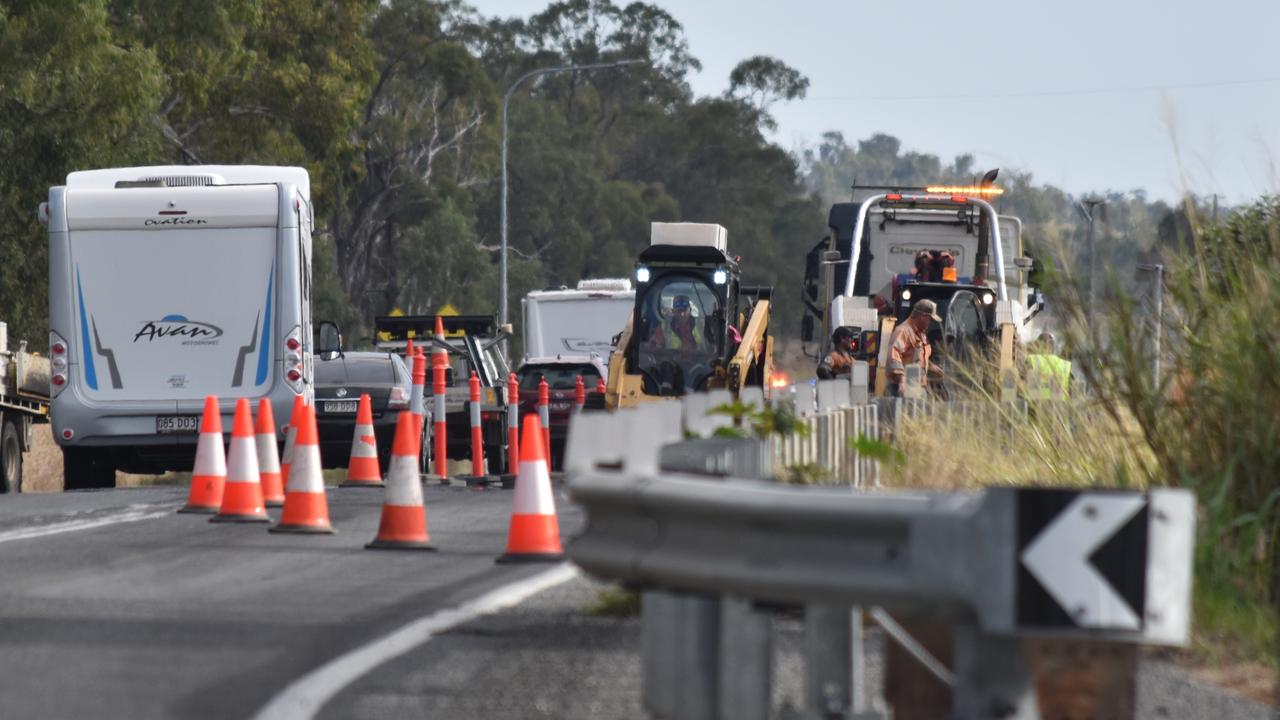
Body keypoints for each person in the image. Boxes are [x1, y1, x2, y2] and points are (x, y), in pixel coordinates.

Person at [886, 299, 942, 396]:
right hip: (904, 389)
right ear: (922, 317)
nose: (931, 323)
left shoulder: (921, 334)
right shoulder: (903, 331)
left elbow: (917, 357)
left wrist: (932, 367)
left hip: (918, 387)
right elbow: (894, 355)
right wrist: (902, 381)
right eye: (930, 319)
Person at [1026, 332, 1071, 399]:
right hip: (1060, 407)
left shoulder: (1032, 360)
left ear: (1038, 345)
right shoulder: (1065, 365)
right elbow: (1073, 390)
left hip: (1036, 406)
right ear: (1053, 347)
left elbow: (1022, 384)